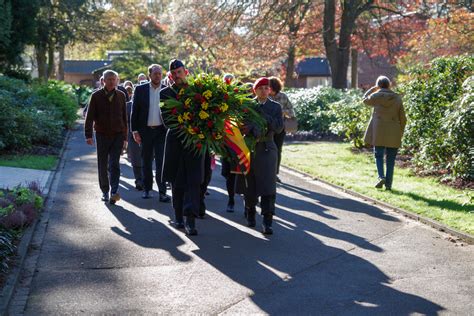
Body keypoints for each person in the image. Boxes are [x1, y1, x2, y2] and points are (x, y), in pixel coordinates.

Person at [161, 59, 204, 236]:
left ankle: (190, 220)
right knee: (177, 182)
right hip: (176, 143)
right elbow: (166, 119)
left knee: (193, 182)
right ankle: (178, 215)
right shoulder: (164, 94)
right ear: (170, 75)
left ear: (185, 72)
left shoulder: (197, 91)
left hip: (195, 144)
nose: (177, 75)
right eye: (174, 73)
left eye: (180, 72)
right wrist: (186, 126)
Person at [237, 77, 283, 235]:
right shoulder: (248, 106)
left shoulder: (275, 107)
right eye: (260, 88)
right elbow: (240, 125)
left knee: (268, 185)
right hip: (250, 148)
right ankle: (250, 211)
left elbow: (278, 128)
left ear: (269, 90)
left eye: (266, 88)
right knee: (250, 184)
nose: (263, 91)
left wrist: (266, 117)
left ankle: (267, 220)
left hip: (268, 148)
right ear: (254, 90)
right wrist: (249, 128)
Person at [84, 70, 128, 204]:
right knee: (102, 164)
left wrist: (125, 137)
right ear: (103, 81)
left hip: (118, 134)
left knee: (114, 163)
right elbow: (89, 117)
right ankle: (105, 190)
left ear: (117, 81)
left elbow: (124, 117)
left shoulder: (121, 95)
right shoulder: (96, 96)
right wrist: (88, 135)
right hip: (102, 134)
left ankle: (114, 191)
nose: (111, 82)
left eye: (114, 79)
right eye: (109, 79)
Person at [130, 64, 170, 202]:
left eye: (160, 73)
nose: (158, 76)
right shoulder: (140, 90)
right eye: (155, 73)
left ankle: (162, 192)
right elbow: (134, 112)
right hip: (145, 131)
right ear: (149, 75)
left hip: (161, 132)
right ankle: (147, 189)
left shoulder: (167, 90)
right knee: (146, 162)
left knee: (161, 163)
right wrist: (135, 131)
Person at [363, 75, 406, 191]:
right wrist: (400, 132)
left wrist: (372, 89)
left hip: (379, 130)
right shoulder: (397, 98)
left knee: (378, 155)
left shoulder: (375, 96)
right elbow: (403, 118)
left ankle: (381, 176)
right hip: (394, 131)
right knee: (391, 160)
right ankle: (388, 185)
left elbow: (364, 100)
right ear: (389, 85)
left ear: (378, 85)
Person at [268, 76, 296, 183]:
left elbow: (292, 112)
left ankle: (275, 174)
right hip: (268, 127)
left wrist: (281, 111)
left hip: (280, 128)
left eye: (269, 86)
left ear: (274, 87)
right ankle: (267, 172)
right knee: (268, 150)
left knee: (278, 150)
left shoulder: (283, 97)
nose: (267, 89)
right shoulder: (266, 96)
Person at [221, 73, 237, 212]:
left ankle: (247, 205)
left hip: (239, 142)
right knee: (228, 174)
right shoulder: (219, 98)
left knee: (241, 173)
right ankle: (231, 199)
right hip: (225, 143)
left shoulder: (240, 98)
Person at [125, 83, 144, 191]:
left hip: (146, 135)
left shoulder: (145, 105)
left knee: (145, 158)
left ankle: (145, 179)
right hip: (132, 135)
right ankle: (139, 180)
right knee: (136, 159)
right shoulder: (127, 106)